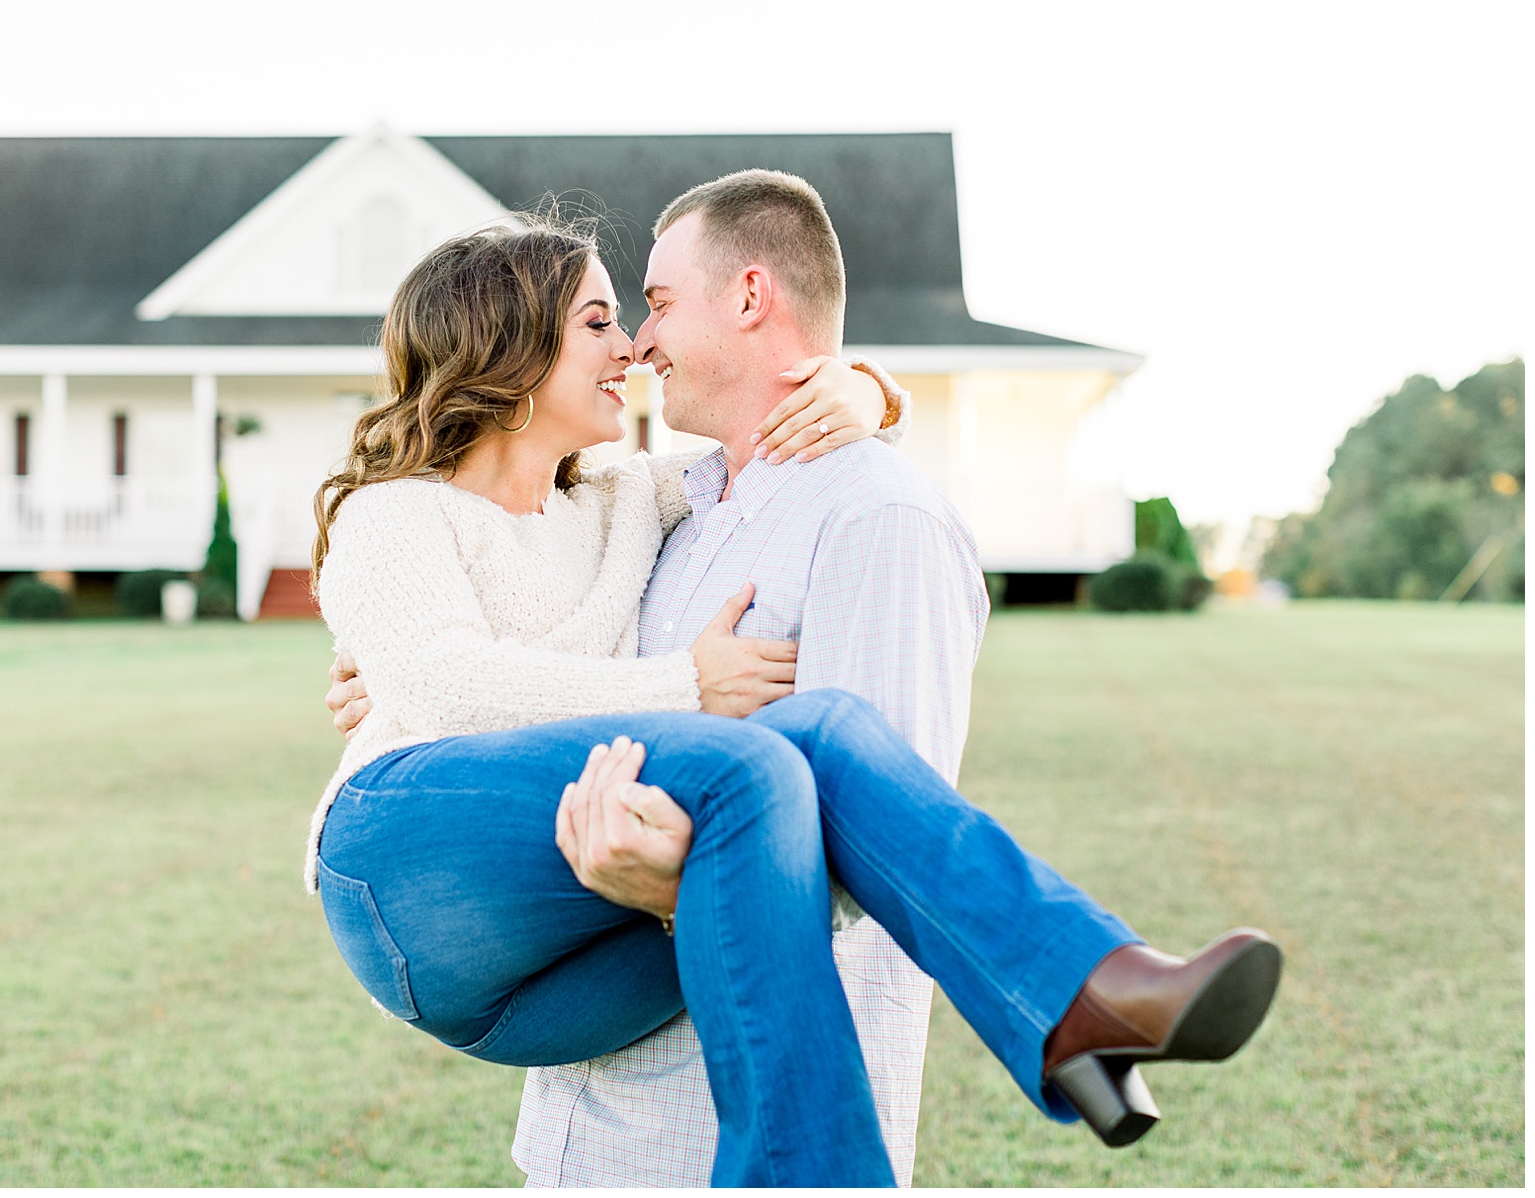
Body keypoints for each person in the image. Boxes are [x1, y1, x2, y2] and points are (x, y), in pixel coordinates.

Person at [310, 176, 1282, 1187]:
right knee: (752, 766)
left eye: (641, 310)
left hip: (550, 973)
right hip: (402, 873)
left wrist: (871, 391)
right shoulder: (392, 516)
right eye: (599, 320)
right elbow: (451, 682)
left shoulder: (621, 502)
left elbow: (771, 450)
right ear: (505, 350)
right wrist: (687, 685)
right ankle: (844, 1151)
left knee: (807, 738)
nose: (631, 345)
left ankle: (1087, 999)